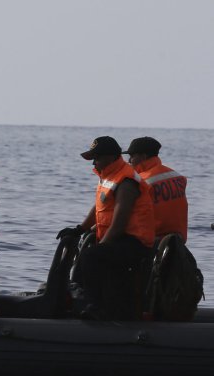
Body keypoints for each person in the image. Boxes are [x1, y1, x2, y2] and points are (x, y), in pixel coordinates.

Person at [58, 136, 155, 320]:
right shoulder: (109, 176)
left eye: (97, 158)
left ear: (110, 157)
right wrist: (79, 229)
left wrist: (102, 245)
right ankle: (85, 301)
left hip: (135, 242)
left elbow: (119, 222)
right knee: (86, 255)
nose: (94, 162)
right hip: (121, 239)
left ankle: (97, 308)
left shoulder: (126, 181)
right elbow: (99, 207)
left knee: (91, 256)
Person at [124, 137, 188, 242]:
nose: (129, 161)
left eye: (132, 156)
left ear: (143, 157)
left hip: (150, 240)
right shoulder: (178, 177)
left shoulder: (141, 181)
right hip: (179, 239)